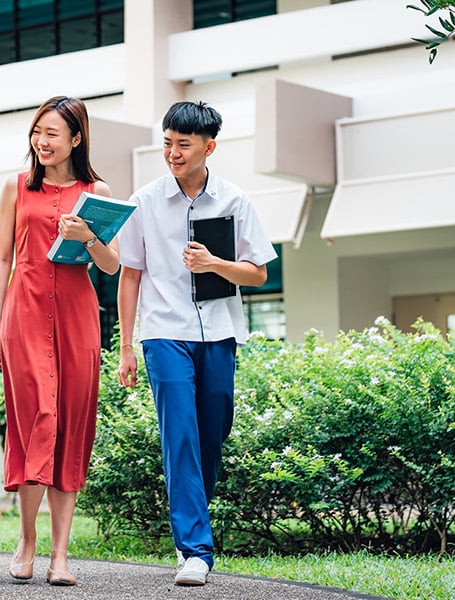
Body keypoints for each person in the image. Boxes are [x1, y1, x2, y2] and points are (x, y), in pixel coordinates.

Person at [115, 101, 277, 587]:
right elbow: (129, 275)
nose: (173, 153)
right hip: (164, 332)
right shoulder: (143, 201)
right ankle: (195, 549)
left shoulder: (234, 200)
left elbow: (259, 271)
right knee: (179, 434)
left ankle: (193, 526)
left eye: (183, 145)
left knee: (212, 432)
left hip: (220, 332)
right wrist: (127, 344)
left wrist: (214, 265)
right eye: (167, 143)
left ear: (209, 147)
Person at [0, 96, 118, 586]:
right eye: (37, 132)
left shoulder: (97, 190)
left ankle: (60, 555)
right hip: (23, 313)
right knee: (35, 422)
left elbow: (111, 265)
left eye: (53, 134)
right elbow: (2, 258)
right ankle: (27, 541)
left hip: (76, 314)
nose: (42, 142)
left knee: (71, 427)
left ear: (77, 139)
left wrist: (89, 236)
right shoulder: (16, 187)